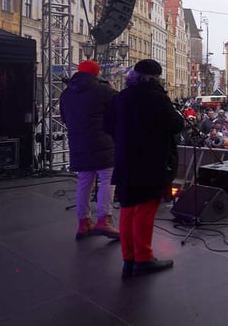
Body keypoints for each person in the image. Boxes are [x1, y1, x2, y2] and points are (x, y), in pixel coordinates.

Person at [104, 59, 185, 277]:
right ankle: (143, 257)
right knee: (146, 209)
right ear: (155, 78)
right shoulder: (157, 98)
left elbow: (107, 125)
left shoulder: (120, 97)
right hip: (150, 162)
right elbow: (176, 125)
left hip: (125, 159)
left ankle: (128, 258)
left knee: (128, 208)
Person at [60, 60, 119, 240]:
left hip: (78, 143)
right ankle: (104, 220)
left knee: (85, 181)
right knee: (107, 179)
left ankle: (83, 223)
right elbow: (118, 111)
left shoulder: (66, 93)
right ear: (96, 73)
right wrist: (112, 89)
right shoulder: (103, 90)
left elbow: (64, 117)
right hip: (102, 143)